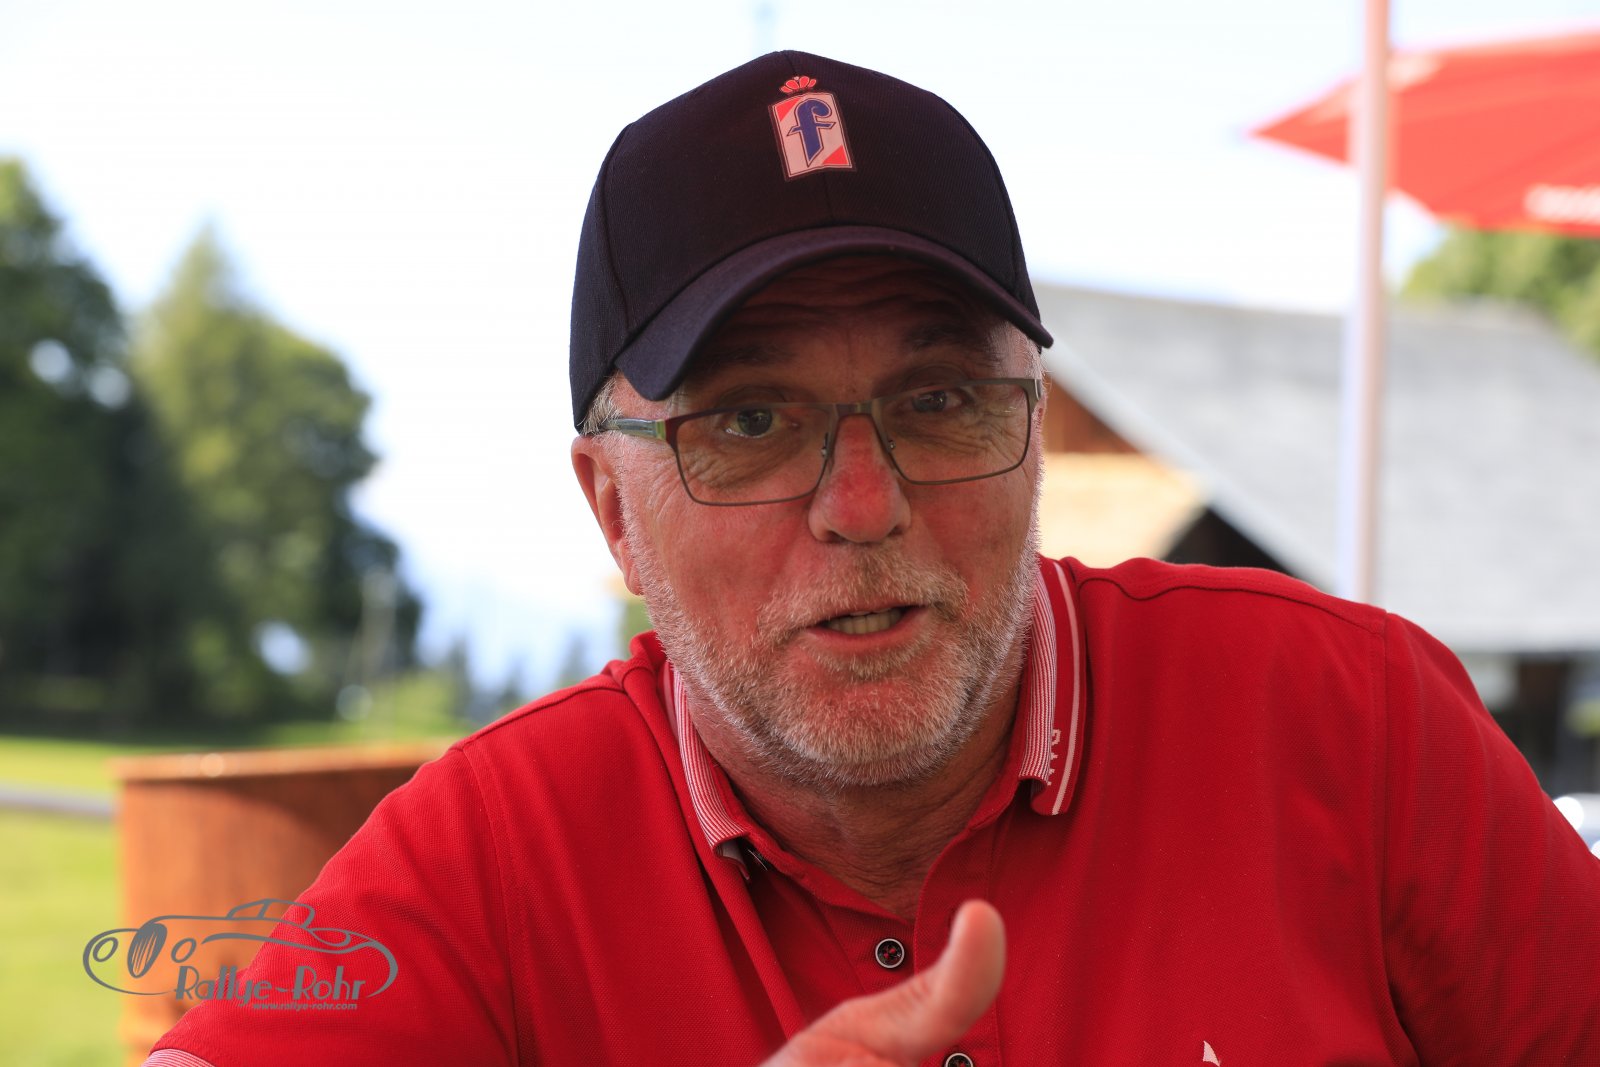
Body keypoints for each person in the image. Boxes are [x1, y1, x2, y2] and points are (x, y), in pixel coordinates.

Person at [146, 50, 1600, 1067]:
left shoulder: (1351, 718)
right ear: (612, 511)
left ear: (1034, 434)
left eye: (939, 398)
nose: (861, 503)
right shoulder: (497, 853)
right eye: (751, 421)